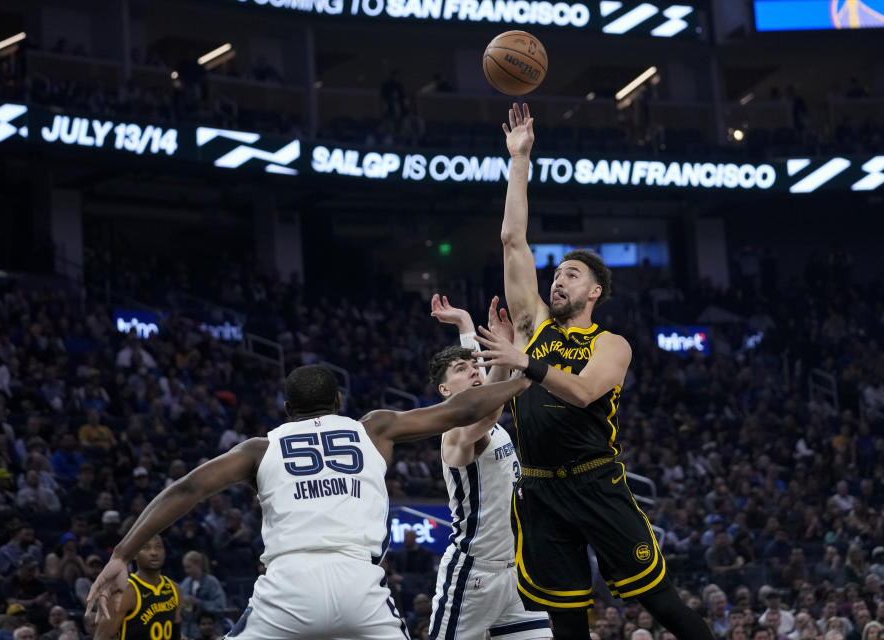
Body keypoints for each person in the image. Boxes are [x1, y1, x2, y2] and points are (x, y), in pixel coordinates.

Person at [473, 102, 715, 640]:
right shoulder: (534, 323)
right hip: (538, 491)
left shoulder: (612, 344)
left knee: (662, 604)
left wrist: (524, 362)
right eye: (556, 273)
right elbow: (513, 240)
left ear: (595, 291)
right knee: (566, 620)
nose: (558, 280)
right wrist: (519, 159)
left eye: (572, 274)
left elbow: (582, 393)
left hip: (595, 482)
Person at [87, 364, 532, 639]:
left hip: (287, 587)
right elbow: (463, 410)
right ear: (339, 401)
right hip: (361, 584)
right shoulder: (373, 428)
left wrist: (120, 555)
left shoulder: (259, 449)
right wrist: (529, 373)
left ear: (286, 408)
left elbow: (186, 488)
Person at [425, 294, 551, 639]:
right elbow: (489, 405)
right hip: (473, 575)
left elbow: (484, 387)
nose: (473, 371)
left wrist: (466, 322)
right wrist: (521, 368)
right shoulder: (458, 431)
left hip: (516, 572)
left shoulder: (484, 412)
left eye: (475, 367)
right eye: (461, 371)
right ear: (445, 390)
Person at [92, 534, 181, 640]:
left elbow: (176, 634)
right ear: (134, 554)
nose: (154, 552)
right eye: (146, 548)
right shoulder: (125, 592)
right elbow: (101, 637)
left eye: (158, 547)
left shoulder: (175, 589)